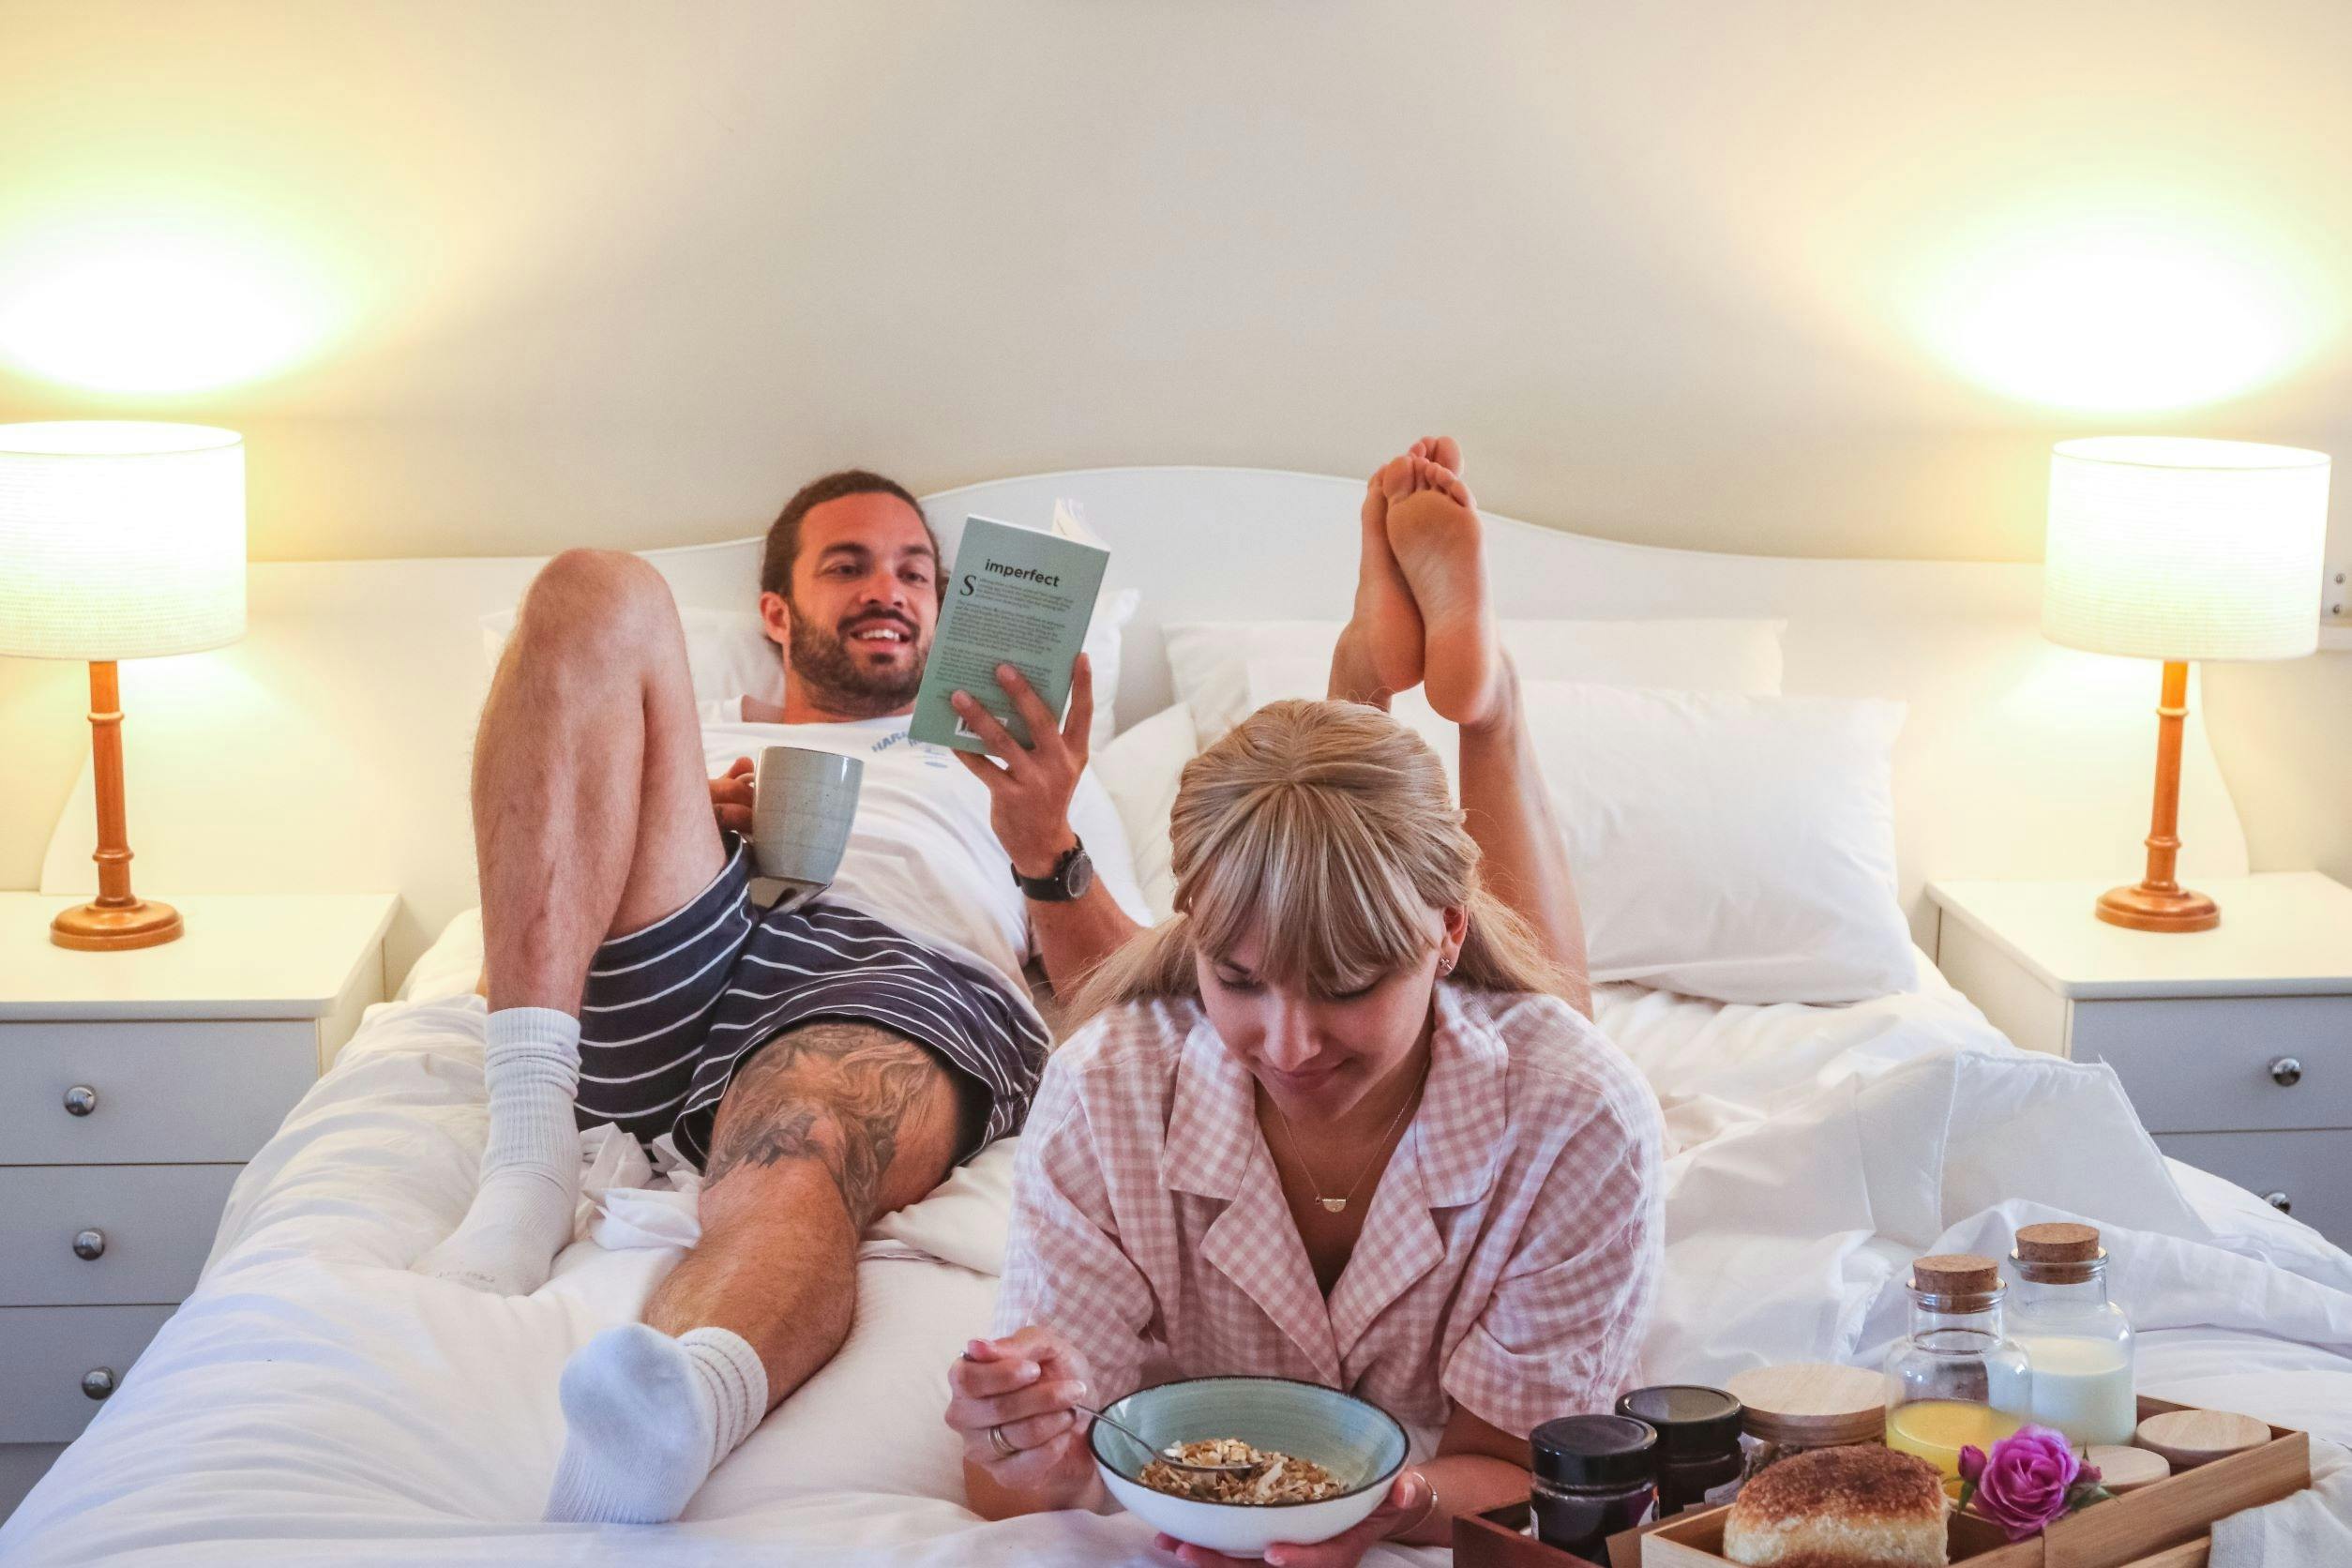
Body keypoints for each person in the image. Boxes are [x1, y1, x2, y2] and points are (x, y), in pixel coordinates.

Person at [945, 441, 1665, 1568]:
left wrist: (1394, 1506)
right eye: (1233, 978)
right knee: (1340, 907)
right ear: (1194, 942)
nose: (1285, 1046)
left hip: (1504, 1021)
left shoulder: (1579, 1113)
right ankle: (1372, 702)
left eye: (1347, 987)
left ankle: (1487, 707)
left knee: (1560, 1024)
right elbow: (1024, 1478)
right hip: (1315, 927)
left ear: (1444, 935)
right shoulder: (1107, 1087)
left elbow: (1515, 1460)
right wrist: (1020, 1436)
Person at [414, 468, 1150, 1524]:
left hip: (895, 973)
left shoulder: (1007, 764)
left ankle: (687, 1403)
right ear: (776, 610)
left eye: (911, 571)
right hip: (691, 924)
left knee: (810, 1136)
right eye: (845, 567)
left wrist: (1045, 837)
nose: (884, 589)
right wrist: (661, 828)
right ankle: (528, 1160)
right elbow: (506, 959)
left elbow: (1118, 994)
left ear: (944, 609)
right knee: (593, 584)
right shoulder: (681, 726)